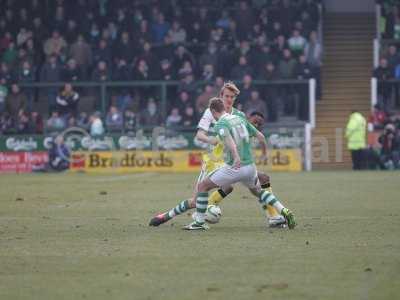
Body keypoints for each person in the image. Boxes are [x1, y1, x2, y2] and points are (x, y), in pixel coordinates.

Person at [149, 82, 286, 228]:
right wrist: (211, 140)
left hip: (233, 162)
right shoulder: (211, 112)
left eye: (232, 97)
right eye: (226, 96)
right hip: (213, 161)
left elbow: (245, 137)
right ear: (220, 97)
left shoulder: (239, 115)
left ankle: (274, 217)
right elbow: (199, 135)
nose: (229, 99)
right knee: (197, 200)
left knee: (261, 181)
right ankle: (166, 216)